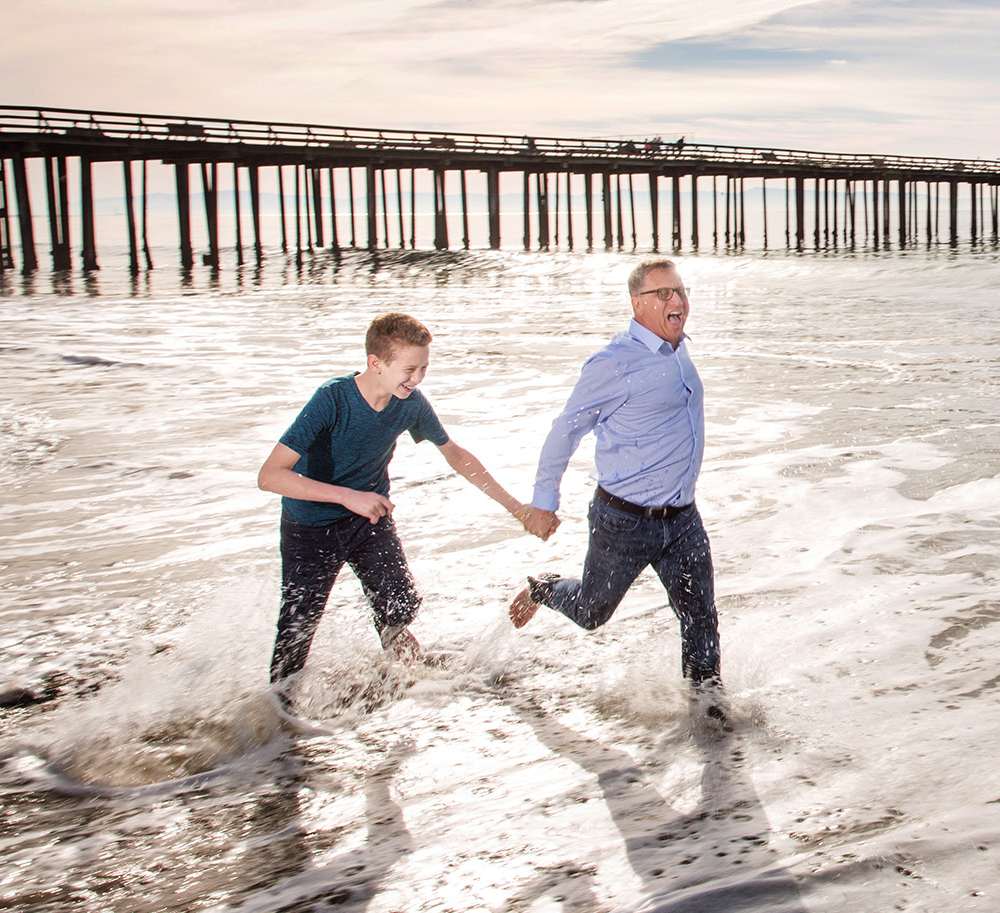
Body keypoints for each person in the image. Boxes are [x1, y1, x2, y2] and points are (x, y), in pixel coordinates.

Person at [259, 311, 541, 689]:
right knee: (298, 628)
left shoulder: (409, 403)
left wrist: (516, 507)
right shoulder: (332, 399)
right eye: (410, 370)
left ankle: (408, 687)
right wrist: (348, 497)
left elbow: (455, 455)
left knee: (399, 607)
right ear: (376, 363)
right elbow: (270, 475)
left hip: (369, 520)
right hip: (310, 526)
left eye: (424, 368)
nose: (418, 379)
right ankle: (279, 711)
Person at [510, 257, 721, 708]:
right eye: (663, 293)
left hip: (683, 519)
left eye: (680, 291)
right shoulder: (613, 363)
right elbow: (565, 430)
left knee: (700, 618)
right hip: (625, 521)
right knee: (591, 612)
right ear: (637, 304)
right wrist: (543, 502)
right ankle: (546, 587)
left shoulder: (678, 349)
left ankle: (708, 712)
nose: (677, 300)